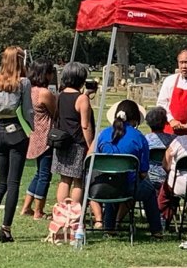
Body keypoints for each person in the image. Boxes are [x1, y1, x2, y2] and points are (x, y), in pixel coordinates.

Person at [91, 99, 162, 238]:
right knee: (149, 192)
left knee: (113, 182)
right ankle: (156, 230)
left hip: (103, 185)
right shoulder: (139, 137)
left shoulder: (103, 135)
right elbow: (143, 172)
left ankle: (109, 226)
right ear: (135, 119)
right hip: (129, 187)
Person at [0, 46, 34, 242]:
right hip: (16, 133)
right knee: (13, 182)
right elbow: (27, 111)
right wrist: (33, 129)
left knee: (1, 182)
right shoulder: (23, 83)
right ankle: (5, 229)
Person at [51, 62, 95, 204]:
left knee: (64, 180)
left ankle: (62, 212)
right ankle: (74, 213)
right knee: (78, 181)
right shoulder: (82, 99)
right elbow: (85, 125)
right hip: (77, 144)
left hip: (62, 142)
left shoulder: (60, 95)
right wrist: (91, 145)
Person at [20, 58, 56, 220]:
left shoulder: (29, 91)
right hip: (46, 135)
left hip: (34, 134)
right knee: (45, 175)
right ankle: (38, 211)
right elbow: (56, 113)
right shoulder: (44, 93)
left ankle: (26, 207)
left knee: (38, 173)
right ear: (46, 74)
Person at [144, 106, 176, 190]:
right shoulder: (174, 140)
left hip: (149, 178)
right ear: (165, 122)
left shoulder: (145, 140)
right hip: (169, 178)